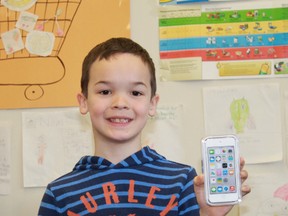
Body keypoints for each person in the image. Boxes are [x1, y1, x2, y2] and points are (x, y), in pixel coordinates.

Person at [38, 37, 250, 215]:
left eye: (136, 93)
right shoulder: (59, 193)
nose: (120, 103)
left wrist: (207, 214)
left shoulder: (182, 181)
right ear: (83, 101)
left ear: (152, 104)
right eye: (105, 92)